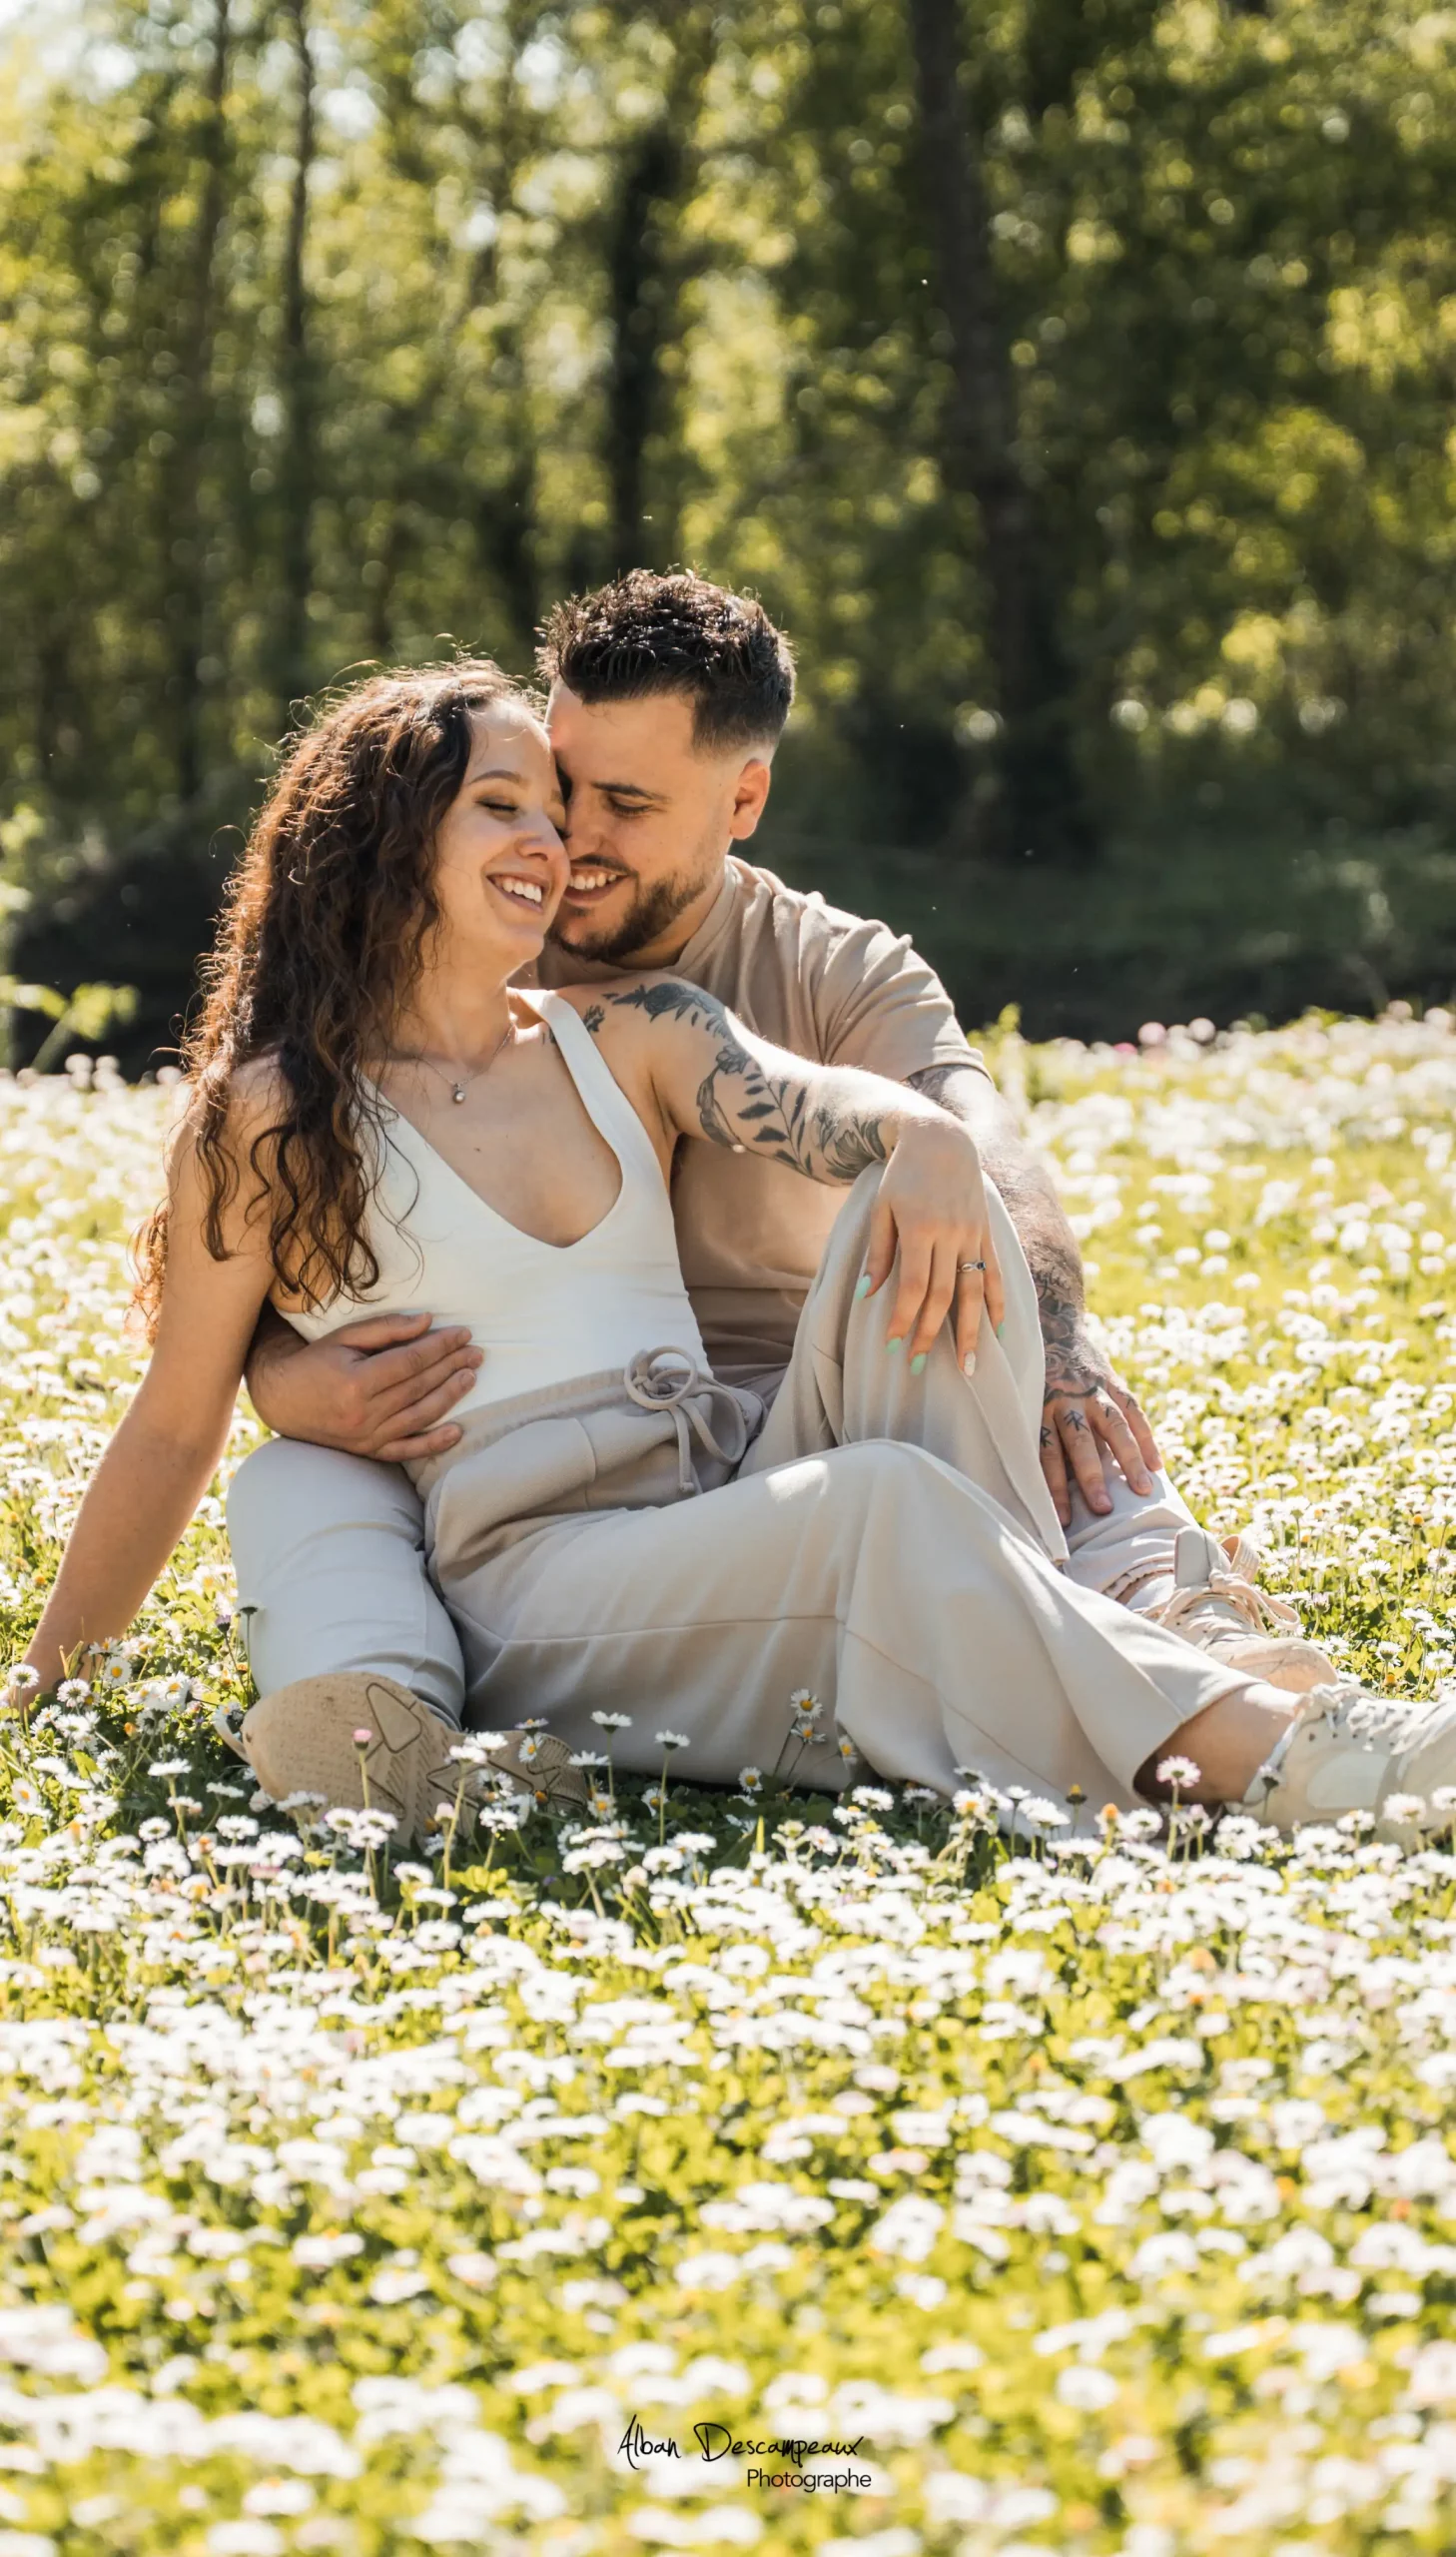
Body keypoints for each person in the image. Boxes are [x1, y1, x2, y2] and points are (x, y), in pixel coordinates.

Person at [22, 659, 1456, 1851]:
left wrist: (923, 1141)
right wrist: (47, 1690)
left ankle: (1061, 1646)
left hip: (719, 1473)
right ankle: (1283, 1755)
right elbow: (172, 1422)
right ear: (388, 840)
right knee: (877, 1506)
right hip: (533, 1580)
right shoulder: (274, 1115)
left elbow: (816, 1107)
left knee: (917, 1263)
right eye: (501, 807)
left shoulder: (625, 1033)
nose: (551, 843)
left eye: (558, 809)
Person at [233, 573, 1330, 1726]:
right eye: (559, 789)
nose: (572, 839)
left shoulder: (837, 969)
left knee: (960, 1259)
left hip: (794, 1423)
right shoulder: (472, 937)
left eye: (627, 803)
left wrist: (1057, 1347)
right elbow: (266, 1229)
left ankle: (1156, 1599)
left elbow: (984, 1150)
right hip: (508, 1449)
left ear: (743, 796)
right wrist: (281, 1373)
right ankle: (372, 1716)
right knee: (299, 1475)